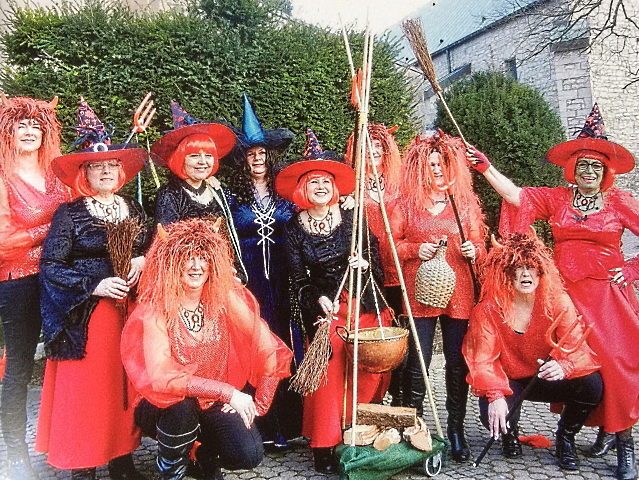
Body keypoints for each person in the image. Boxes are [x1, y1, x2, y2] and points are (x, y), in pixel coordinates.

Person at [467, 104, 639, 480]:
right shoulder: (559, 199)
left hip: (607, 298)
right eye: (583, 166)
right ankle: (596, 432)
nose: (589, 171)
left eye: (596, 166)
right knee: (575, 367)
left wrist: (630, 269)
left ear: (606, 173)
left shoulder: (620, 203)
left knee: (616, 369)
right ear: (572, 171)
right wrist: (486, 168)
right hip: (563, 296)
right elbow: (518, 197)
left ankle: (625, 444)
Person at [121, 217, 293, 480]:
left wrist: (257, 403)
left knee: (248, 454)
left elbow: (268, 348)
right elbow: (163, 377)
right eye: (187, 257)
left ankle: (203, 455)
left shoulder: (225, 297)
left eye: (203, 257)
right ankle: (170, 466)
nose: (196, 266)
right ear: (171, 263)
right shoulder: (154, 308)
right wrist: (228, 392)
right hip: (163, 405)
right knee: (181, 408)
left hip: (212, 401)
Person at [35, 98, 149, 480]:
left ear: (120, 171)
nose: (105, 170)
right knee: (88, 389)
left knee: (123, 384)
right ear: (85, 171)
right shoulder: (70, 214)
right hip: (88, 315)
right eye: (97, 165)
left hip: (128, 311)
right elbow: (50, 266)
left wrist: (141, 260)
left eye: (111, 165)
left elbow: (152, 245)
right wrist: (95, 284)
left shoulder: (132, 208)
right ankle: (82, 463)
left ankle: (121, 456)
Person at [278, 128, 391, 474]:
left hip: (364, 302)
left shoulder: (353, 219)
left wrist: (365, 262)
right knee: (326, 372)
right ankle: (324, 443)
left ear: (334, 186)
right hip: (326, 309)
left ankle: (357, 433)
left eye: (326, 181)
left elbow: (376, 254)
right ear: (303, 190)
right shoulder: (293, 230)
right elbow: (296, 280)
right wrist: (317, 302)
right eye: (313, 183)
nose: (321, 188)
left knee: (368, 369)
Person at [463, 232, 603, 470]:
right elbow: (482, 359)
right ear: (507, 272)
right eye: (518, 267)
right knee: (493, 413)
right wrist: (495, 396)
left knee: (592, 385)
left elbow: (576, 344)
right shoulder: (487, 309)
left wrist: (564, 365)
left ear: (540, 270)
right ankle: (509, 433)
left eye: (531, 267)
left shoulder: (557, 301)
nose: (526, 273)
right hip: (510, 381)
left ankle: (565, 438)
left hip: (546, 378)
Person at [390, 130, 487, 462]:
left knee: (457, 362)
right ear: (419, 167)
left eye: (442, 163)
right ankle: (416, 430)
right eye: (430, 164)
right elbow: (392, 248)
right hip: (420, 292)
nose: (436, 169)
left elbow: (480, 246)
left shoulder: (465, 204)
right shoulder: (406, 204)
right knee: (418, 364)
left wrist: (475, 250)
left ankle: (456, 429)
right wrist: (418, 248)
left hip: (459, 290)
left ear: (452, 165)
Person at [224, 94, 302, 447]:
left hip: (285, 281)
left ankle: (289, 423)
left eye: (261, 154)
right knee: (254, 345)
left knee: (285, 345)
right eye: (250, 155)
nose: (257, 159)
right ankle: (260, 426)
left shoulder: (288, 195)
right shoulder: (231, 199)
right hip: (250, 281)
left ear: (270, 158)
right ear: (243, 161)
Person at [0, 94, 70, 479]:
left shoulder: (57, 173)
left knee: (69, 361)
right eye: (21, 124)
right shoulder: (2, 176)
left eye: (37, 126)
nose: (29, 131)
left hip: (60, 281)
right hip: (19, 283)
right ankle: (13, 451)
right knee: (21, 366)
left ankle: (65, 440)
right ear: (8, 130)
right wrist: (55, 233)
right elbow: (4, 241)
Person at [151, 100, 246, 281]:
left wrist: (235, 271)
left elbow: (229, 238)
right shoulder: (170, 194)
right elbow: (165, 245)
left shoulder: (217, 192)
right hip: (186, 277)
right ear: (181, 159)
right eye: (194, 156)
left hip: (219, 274)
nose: (203, 162)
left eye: (208, 155)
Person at [345, 123, 404, 405]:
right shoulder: (351, 183)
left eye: (378, 147)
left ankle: (402, 392)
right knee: (375, 330)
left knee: (401, 330)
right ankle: (375, 393)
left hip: (399, 266)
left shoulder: (399, 184)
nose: (372, 152)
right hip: (369, 268)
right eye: (367, 147)